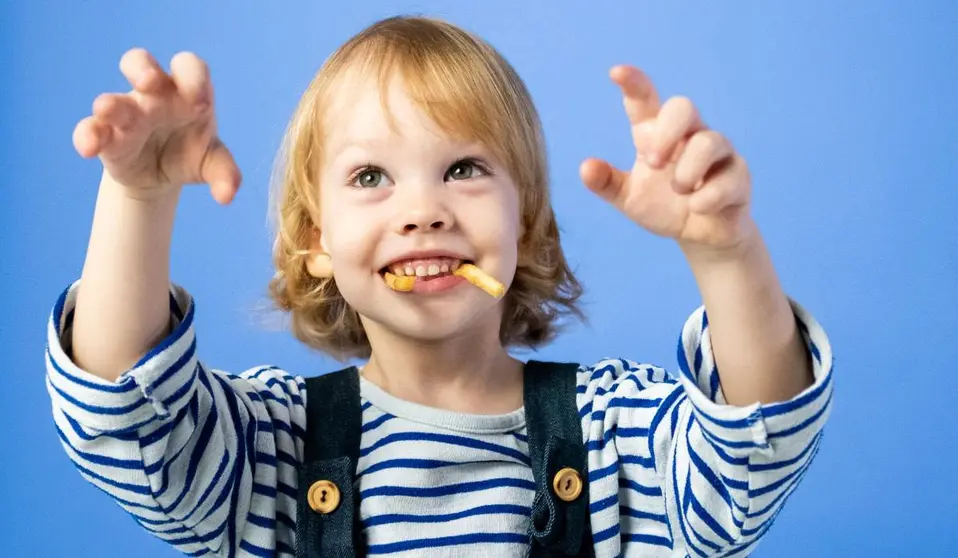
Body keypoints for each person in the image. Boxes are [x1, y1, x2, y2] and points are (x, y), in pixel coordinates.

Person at [46, 15, 833, 557]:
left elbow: (752, 456)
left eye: (463, 168)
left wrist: (726, 255)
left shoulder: (613, 431)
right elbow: (122, 415)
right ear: (316, 242)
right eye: (370, 177)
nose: (423, 210)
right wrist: (140, 197)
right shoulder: (271, 449)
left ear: (523, 223)